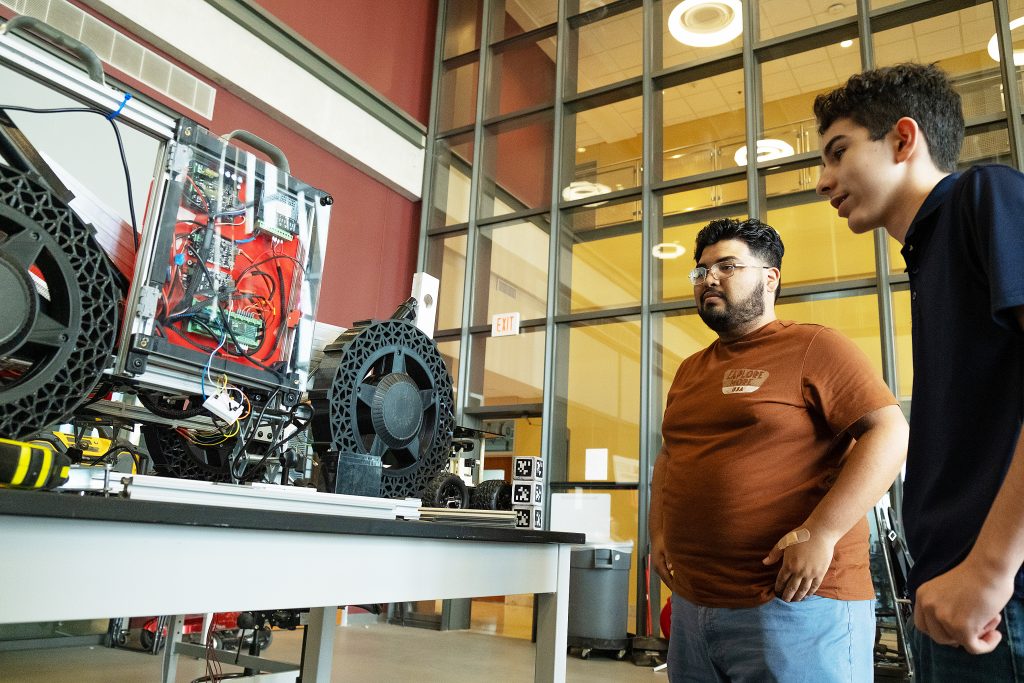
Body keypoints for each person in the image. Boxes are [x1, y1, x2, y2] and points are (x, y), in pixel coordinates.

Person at [814, 62, 1024, 679]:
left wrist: (989, 570)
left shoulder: (985, 195)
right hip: (953, 595)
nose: (823, 181)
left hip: (996, 595)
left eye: (838, 151)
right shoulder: (928, 251)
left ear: (904, 139)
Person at [650, 217, 909, 682]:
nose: (708, 278)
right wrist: (658, 534)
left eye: (727, 266)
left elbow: (889, 433)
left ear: (770, 278)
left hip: (797, 605)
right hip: (694, 605)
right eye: (701, 270)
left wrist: (822, 533)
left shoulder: (816, 346)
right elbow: (670, 455)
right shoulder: (691, 369)